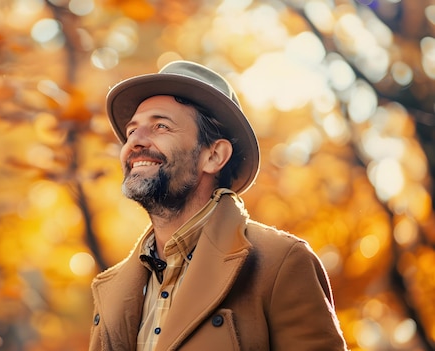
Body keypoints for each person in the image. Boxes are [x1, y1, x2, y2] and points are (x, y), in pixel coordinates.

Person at [88, 60, 348, 351]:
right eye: (132, 130)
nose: (135, 142)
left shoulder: (282, 262)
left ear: (213, 156)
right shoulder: (110, 290)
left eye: (160, 126)